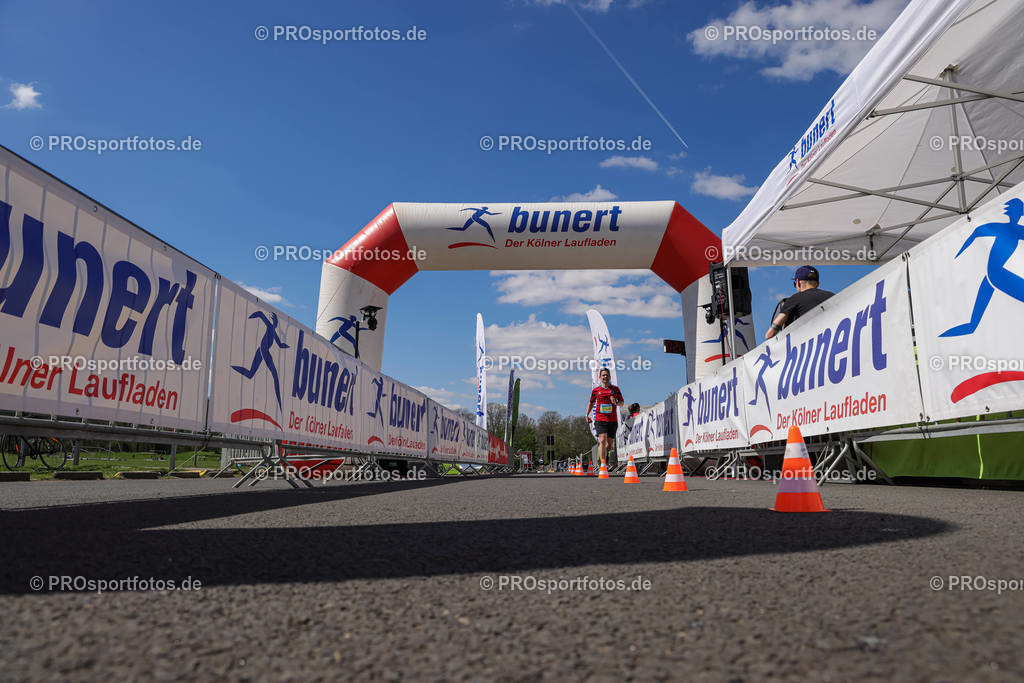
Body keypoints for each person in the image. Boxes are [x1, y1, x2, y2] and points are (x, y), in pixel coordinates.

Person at [765, 265, 835, 340]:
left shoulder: (794, 299)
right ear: (818, 283)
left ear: (798, 282)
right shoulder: (833, 296)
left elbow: (769, 335)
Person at [586, 367, 624, 469]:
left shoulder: (615, 389)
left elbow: (622, 403)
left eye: (607, 375)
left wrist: (615, 402)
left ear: (610, 377)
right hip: (600, 419)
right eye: (603, 375)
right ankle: (603, 464)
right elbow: (591, 402)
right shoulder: (596, 390)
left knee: (610, 444)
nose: (605, 377)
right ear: (600, 377)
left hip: (612, 420)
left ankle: (602, 458)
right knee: (602, 440)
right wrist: (587, 415)